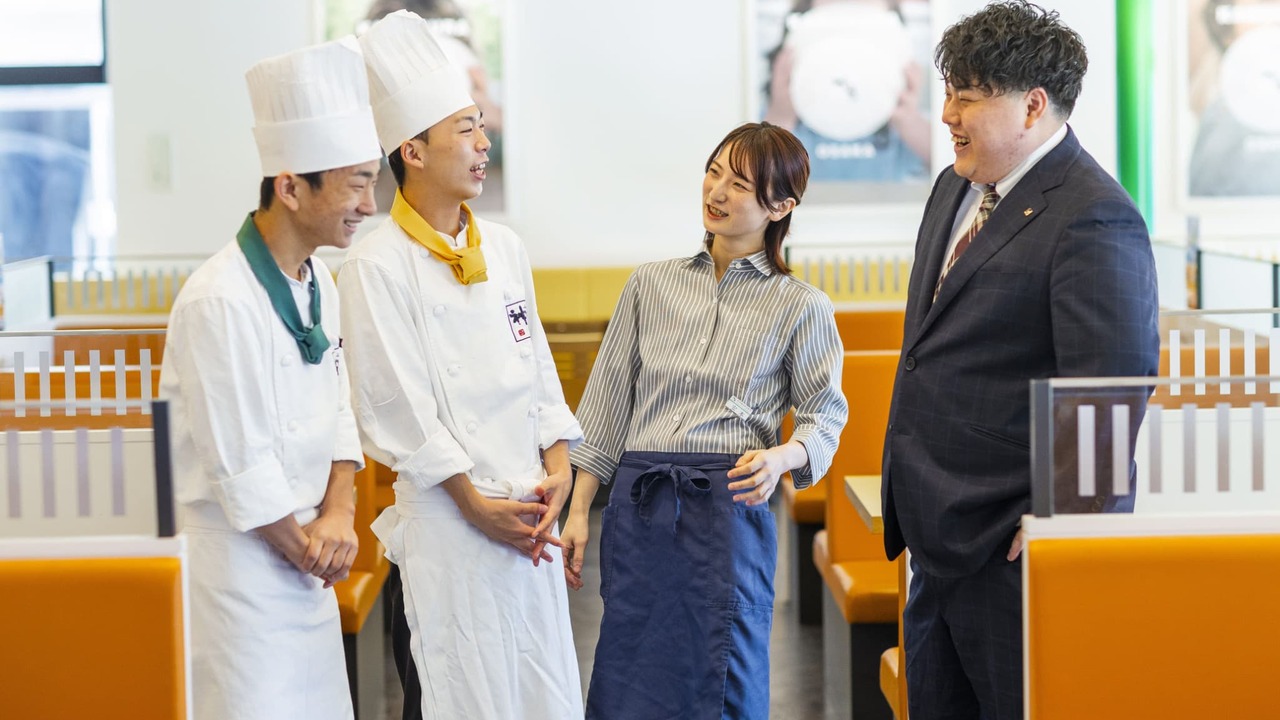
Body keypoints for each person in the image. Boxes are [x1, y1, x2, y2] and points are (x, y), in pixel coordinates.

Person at [880, 2, 1160, 718]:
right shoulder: (955, 188)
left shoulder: (1093, 213)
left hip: (1012, 554)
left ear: (1032, 106)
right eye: (948, 94)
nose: (947, 114)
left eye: (967, 96)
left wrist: (1057, 527)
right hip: (933, 537)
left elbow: (1112, 388)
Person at [339, 11, 583, 719]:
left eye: (482, 125)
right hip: (450, 534)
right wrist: (478, 508)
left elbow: (539, 370)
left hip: (526, 522)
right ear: (411, 151)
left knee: (535, 691)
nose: (483, 144)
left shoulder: (503, 248)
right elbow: (396, 411)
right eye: (465, 131)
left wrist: (559, 470)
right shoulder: (373, 265)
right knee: (455, 695)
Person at [561, 121, 849, 719]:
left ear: (780, 205)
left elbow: (825, 416)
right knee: (629, 671)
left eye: (739, 183)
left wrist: (782, 458)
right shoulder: (650, 284)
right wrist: (579, 510)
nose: (716, 191)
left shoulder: (801, 305)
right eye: (714, 171)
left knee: (725, 677)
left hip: (729, 506)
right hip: (640, 506)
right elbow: (607, 405)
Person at [159, 38, 381, 720]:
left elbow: (340, 410)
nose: (369, 205)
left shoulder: (321, 281)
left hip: (311, 563)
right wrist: (313, 548)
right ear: (290, 187)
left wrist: (341, 513)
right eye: (356, 182)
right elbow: (240, 466)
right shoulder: (218, 298)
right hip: (244, 580)